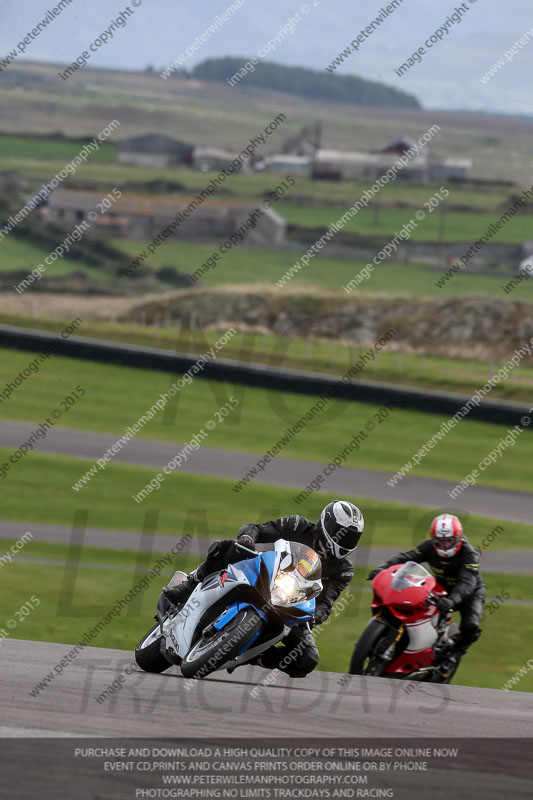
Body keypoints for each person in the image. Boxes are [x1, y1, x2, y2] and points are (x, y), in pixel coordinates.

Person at [163, 500, 364, 678]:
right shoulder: (298, 525)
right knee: (226, 548)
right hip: (263, 572)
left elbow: (326, 602)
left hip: (291, 601)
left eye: (350, 538)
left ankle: (251, 655)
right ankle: (187, 586)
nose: (344, 540)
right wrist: (248, 539)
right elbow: (257, 528)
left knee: (307, 658)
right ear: (326, 524)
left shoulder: (343, 570)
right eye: (341, 534)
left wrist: (315, 617)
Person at [368, 513, 485, 661]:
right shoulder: (428, 546)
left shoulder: (469, 555)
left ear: (458, 538)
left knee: (471, 625)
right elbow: (405, 557)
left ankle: (458, 651)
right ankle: (406, 639)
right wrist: (383, 569)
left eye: (449, 541)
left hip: (469, 592)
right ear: (433, 538)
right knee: (413, 604)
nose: (445, 545)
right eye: (440, 541)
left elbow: (467, 583)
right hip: (441, 585)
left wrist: (451, 600)